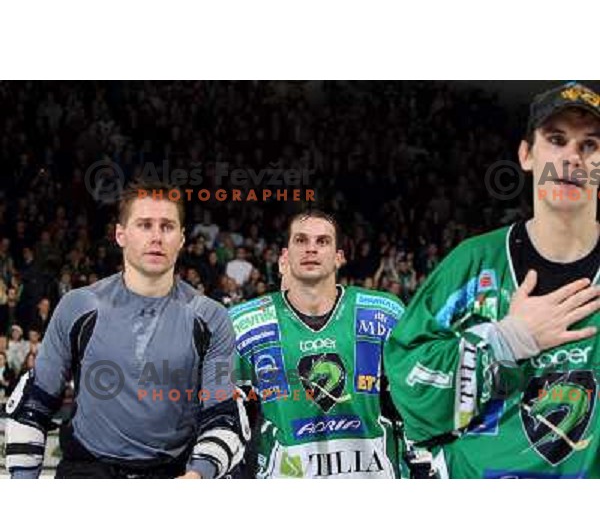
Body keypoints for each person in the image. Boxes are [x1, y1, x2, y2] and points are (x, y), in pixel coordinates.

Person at [384, 81, 600, 478]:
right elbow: (409, 389)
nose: (572, 157)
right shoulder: (472, 263)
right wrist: (505, 340)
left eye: (590, 145)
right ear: (526, 154)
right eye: (556, 139)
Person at [5, 180, 249, 479]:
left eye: (167, 226)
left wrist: (197, 475)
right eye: (145, 225)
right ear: (121, 234)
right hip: (88, 472)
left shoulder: (212, 318)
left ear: (182, 238)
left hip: (175, 474)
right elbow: (33, 407)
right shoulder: (78, 307)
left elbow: (222, 416)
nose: (157, 237)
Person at [230, 210, 406, 479]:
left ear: (339, 257)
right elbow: (226, 415)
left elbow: (415, 404)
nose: (311, 248)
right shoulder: (245, 323)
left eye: (322, 241)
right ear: (285, 256)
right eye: (301, 240)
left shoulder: (384, 313)